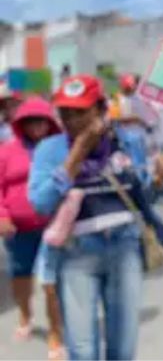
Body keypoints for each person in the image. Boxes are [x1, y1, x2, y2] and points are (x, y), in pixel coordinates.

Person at [27, 75, 163, 360]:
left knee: (122, 347)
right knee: (82, 350)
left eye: (80, 112)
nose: (71, 120)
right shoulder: (51, 148)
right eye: (65, 112)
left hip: (125, 247)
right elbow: (41, 203)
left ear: (101, 109)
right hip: (76, 252)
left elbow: (143, 199)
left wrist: (158, 179)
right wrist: (76, 154)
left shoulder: (126, 142)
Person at [0, 97, 64, 359]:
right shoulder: (6, 151)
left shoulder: (60, 150)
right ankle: (25, 315)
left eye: (42, 122)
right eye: (30, 122)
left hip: (52, 227)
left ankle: (54, 333)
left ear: (49, 124)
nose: (37, 127)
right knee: (21, 277)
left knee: (51, 282)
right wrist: (2, 216)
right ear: (21, 124)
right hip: (17, 229)